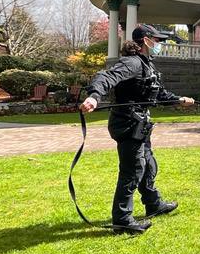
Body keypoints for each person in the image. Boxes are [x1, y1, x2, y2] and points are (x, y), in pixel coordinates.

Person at [80, 25, 194, 234]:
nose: (159, 44)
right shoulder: (132, 63)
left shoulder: (146, 65)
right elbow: (105, 77)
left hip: (140, 125)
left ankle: (154, 204)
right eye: (156, 40)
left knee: (148, 165)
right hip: (128, 124)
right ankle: (122, 219)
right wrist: (94, 97)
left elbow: (157, 95)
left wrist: (179, 100)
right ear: (145, 40)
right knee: (132, 171)